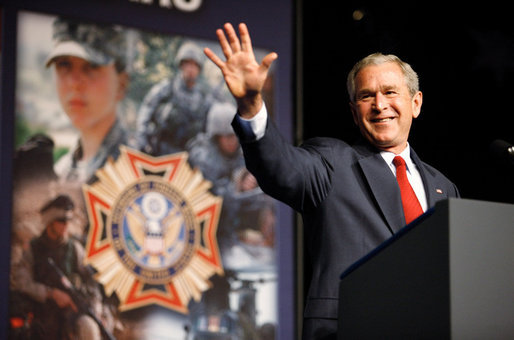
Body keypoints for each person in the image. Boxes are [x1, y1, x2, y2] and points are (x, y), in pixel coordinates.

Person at [204, 23, 460, 339]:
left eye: (390, 92)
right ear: (355, 113)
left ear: (416, 103)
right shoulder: (332, 161)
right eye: (367, 96)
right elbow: (279, 168)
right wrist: (251, 105)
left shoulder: (444, 188)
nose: (380, 105)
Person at [10, 195, 110, 340]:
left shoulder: (74, 249)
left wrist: (96, 310)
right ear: (50, 222)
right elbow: (22, 283)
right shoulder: (33, 249)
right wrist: (51, 293)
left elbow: (92, 283)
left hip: (72, 311)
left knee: (89, 328)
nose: (66, 225)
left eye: (68, 221)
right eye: (61, 221)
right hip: (42, 312)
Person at [46, 17, 130, 184]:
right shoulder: (61, 172)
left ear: (121, 85)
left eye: (91, 66)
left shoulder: (138, 171)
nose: (74, 83)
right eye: (64, 64)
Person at [134, 40, 227, 155]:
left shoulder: (203, 98)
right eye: (187, 64)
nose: (191, 69)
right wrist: (142, 139)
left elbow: (213, 124)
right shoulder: (167, 88)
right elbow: (146, 110)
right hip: (159, 148)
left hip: (186, 154)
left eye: (194, 65)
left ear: (199, 69)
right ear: (181, 66)